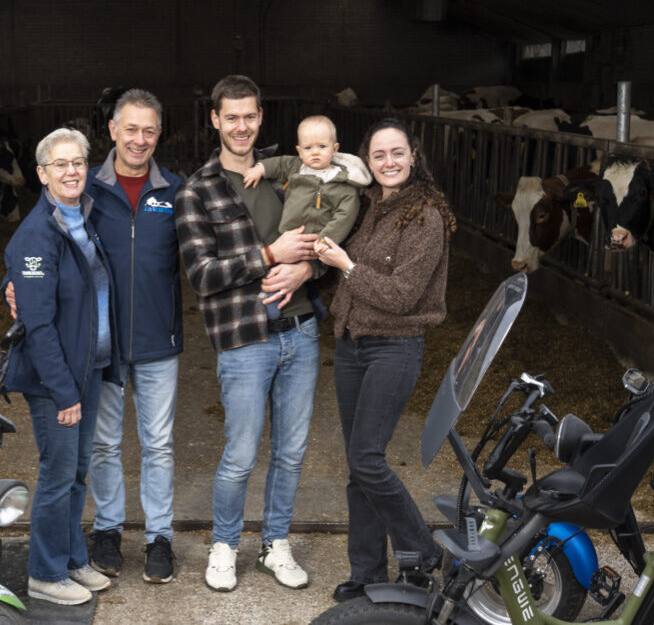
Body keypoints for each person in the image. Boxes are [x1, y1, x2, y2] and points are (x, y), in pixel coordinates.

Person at [5, 89, 183, 584]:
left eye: (150, 130)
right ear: (113, 130)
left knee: (132, 452)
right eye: (131, 128)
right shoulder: (75, 203)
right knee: (81, 459)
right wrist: (11, 285)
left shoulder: (162, 194)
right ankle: (75, 551)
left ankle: (127, 545)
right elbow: (33, 270)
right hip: (81, 362)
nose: (140, 139)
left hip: (128, 349)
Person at [175, 75, 322, 593]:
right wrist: (269, 256)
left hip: (301, 331)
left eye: (250, 116)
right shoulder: (197, 190)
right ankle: (224, 545)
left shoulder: (294, 175)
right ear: (214, 120)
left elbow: (325, 240)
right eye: (231, 117)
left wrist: (305, 270)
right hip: (244, 341)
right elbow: (202, 274)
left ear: (262, 118)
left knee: (291, 450)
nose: (242, 126)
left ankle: (275, 543)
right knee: (240, 452)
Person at [313, 117, 455, 602]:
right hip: (352, 344)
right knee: (358, 466)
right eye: (379, 155)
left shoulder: (427, 218)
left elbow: (400, 296)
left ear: (414, 157)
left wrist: (346, 266)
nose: (389, 163)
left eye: (397, 153)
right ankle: (369, 573)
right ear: (366, 162)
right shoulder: (369, 206)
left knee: (368, 459)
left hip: (394, 346)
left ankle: (423, 551)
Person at [2, 128, 119, 606]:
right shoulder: (37, 233)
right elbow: (38, 323)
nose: (72, 172)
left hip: (86, 368)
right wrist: (64, 391)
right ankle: (45, 573)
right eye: (61, 164)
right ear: (42, 174)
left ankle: (71, 558)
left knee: (76, 472)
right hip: (59, 379)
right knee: (56, 474)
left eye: (79, 163)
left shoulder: (80, 217)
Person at [242, 114, 371, 318]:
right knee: (280, 270)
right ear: (299, 151)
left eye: (322, 147)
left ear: (335, 149)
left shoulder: (344, 187)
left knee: (295, 274)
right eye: (308, 148)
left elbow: (344, 217)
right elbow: (279, 164)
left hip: (314, 242)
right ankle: (293, 304)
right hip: (287, 237)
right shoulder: (296, 167)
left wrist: (325, 240)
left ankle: (274, 305)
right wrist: (260, 168)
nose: (315, 153)